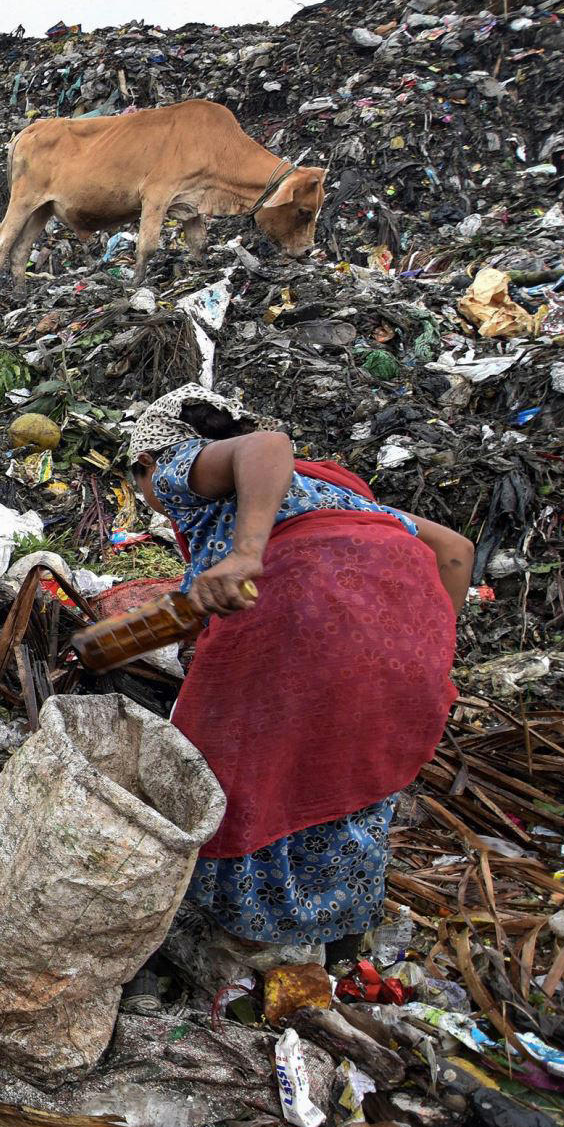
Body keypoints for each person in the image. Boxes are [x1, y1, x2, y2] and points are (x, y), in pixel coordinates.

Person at [126, 385, 468, 964]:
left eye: (138, 483)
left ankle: (232, 928)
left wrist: (248, 553)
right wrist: (426, 641)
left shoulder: (176, 466)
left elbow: (265, 443)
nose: (145, 495)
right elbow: (454, 549)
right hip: (402, 645)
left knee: (230, 769)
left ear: (148, 463)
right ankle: (331, 935)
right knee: (342, 776)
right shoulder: (333, 493)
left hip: (304, 627)